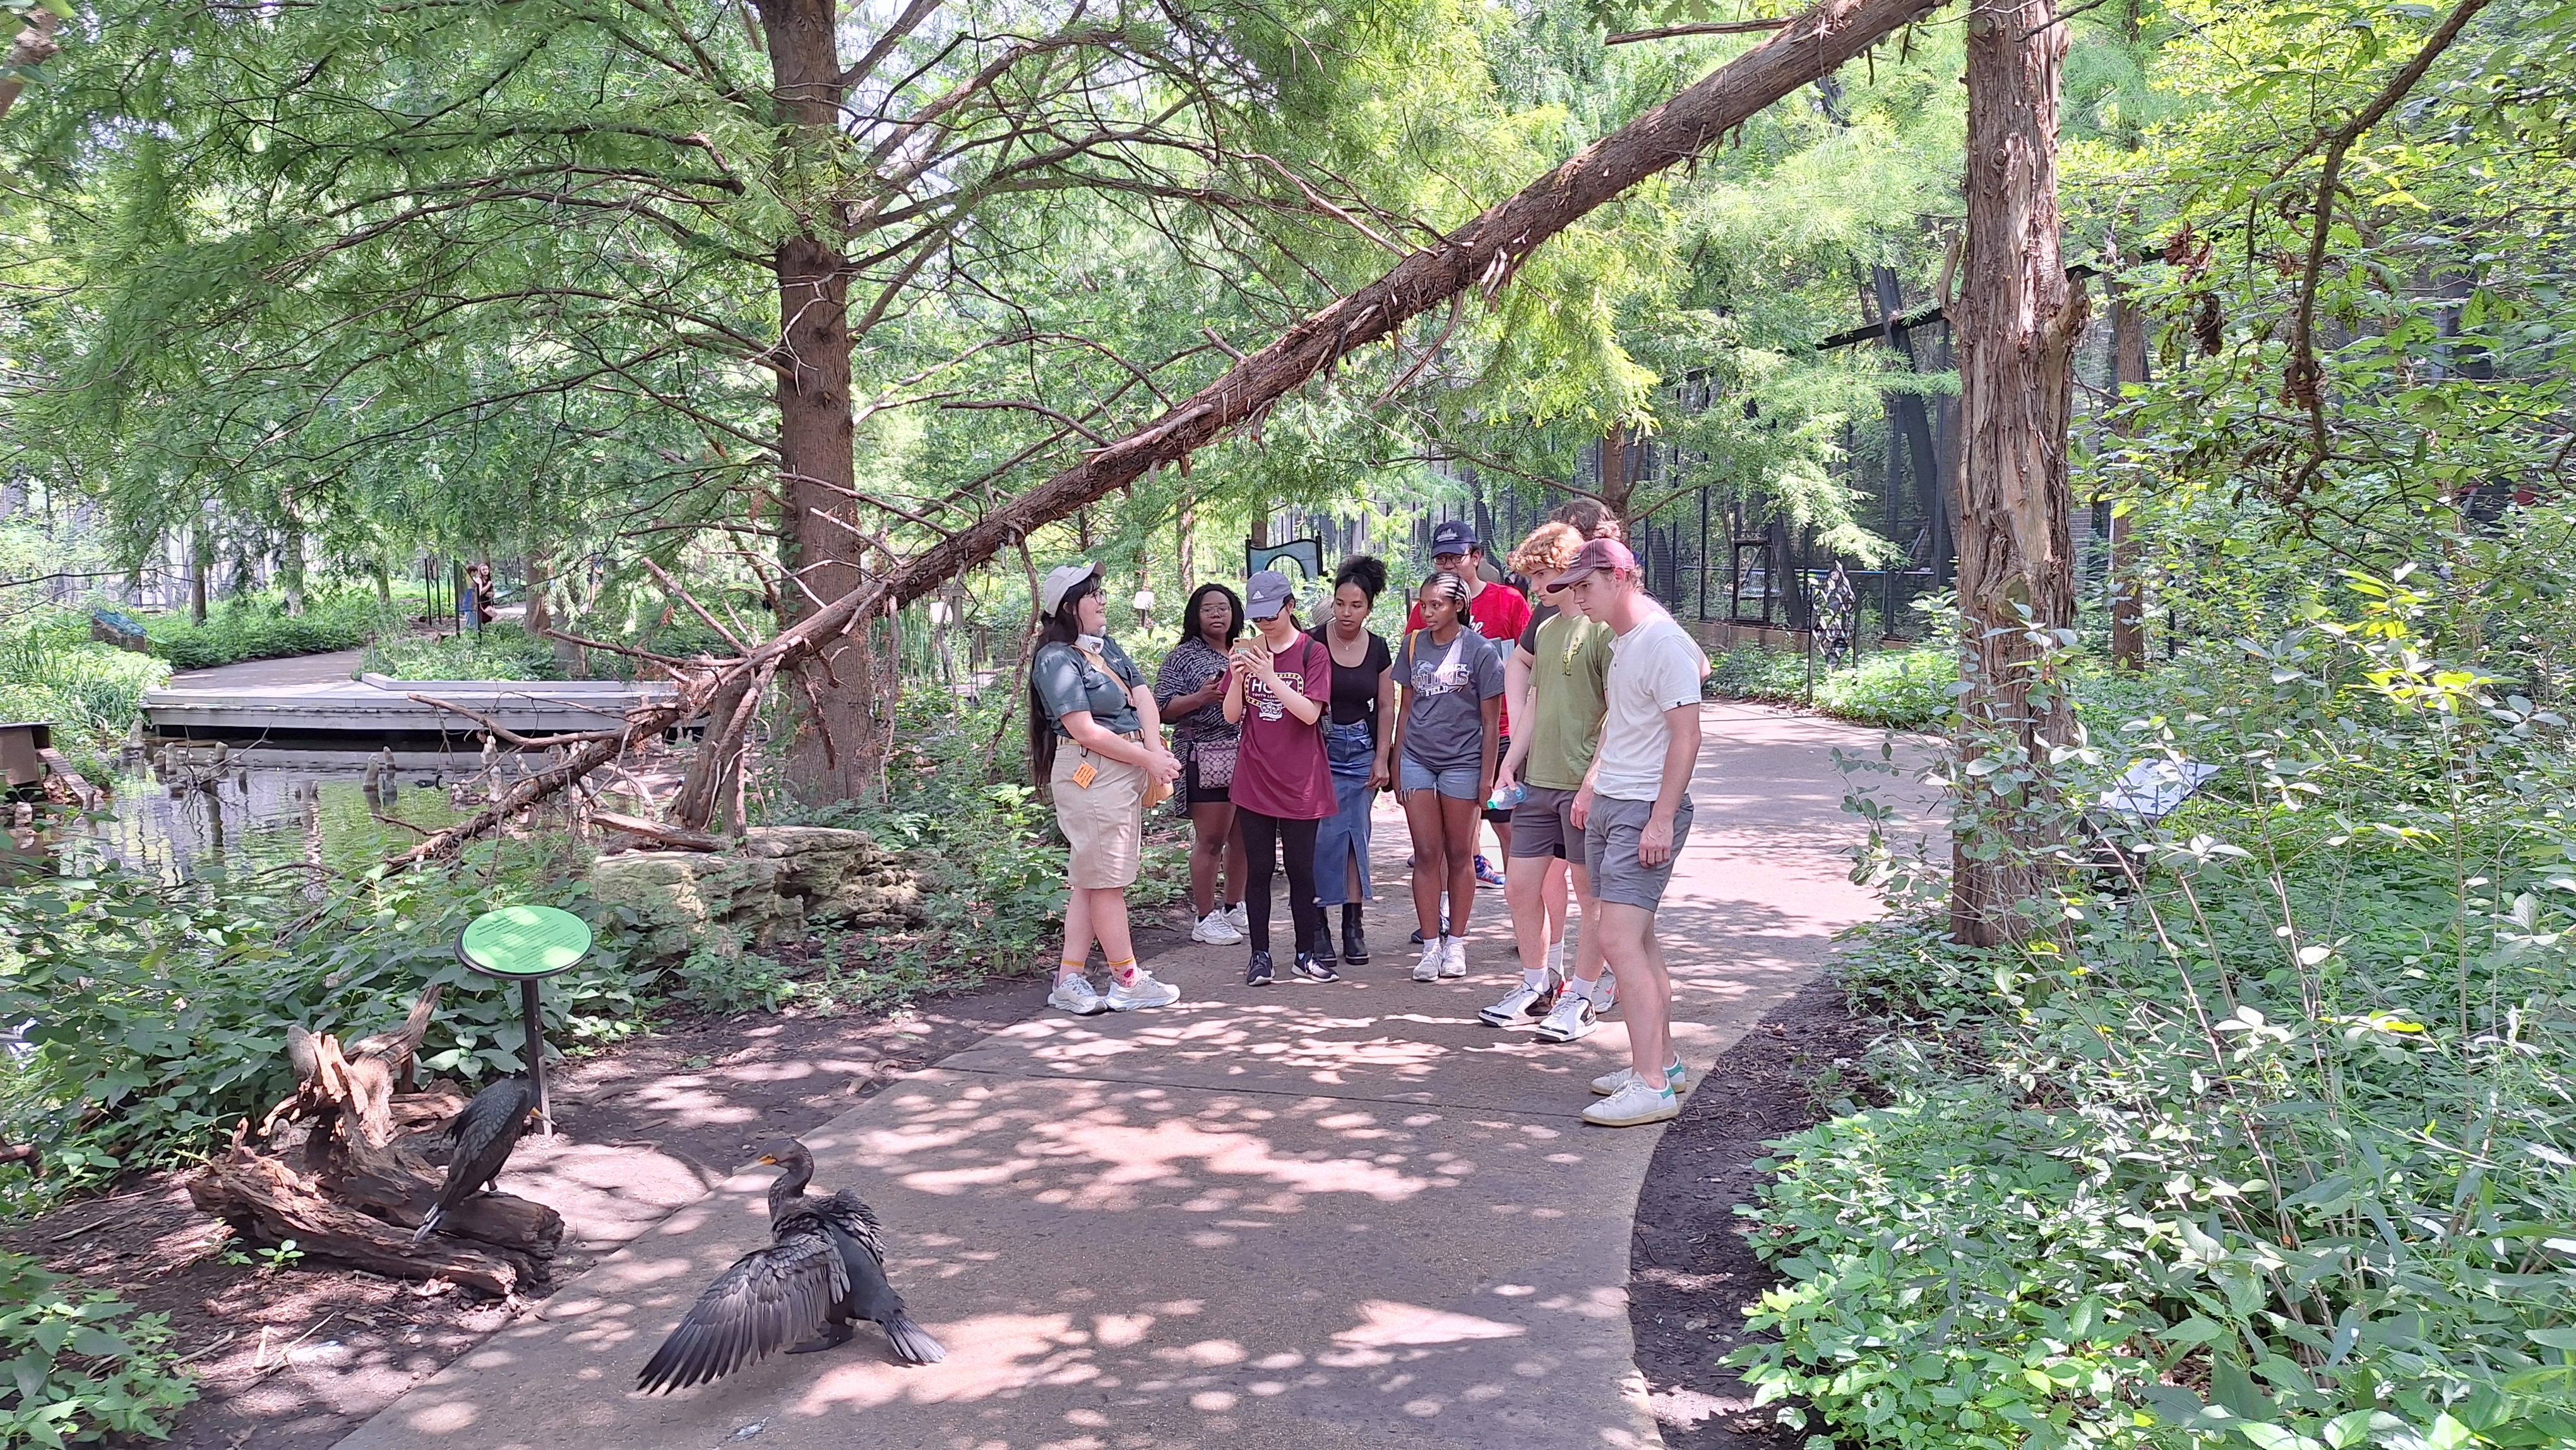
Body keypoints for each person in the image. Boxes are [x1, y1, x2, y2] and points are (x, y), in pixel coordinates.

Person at [1556, 539, 1703, 1126]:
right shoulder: (1624, 642)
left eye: (1586, 587)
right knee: (1637, 941)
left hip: (1644, 808)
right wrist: (1593, 784)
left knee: (1616, 939)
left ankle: (1650, 1087)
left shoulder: (1662, 640)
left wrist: (1662, 817)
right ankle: (1661, 1066)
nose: (1579, 599)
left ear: (1619, 578)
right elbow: (1626, 722)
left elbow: (1687, 736)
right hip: (1616, 800)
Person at [1027, 562, 1184, 1016]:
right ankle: (1127, 980)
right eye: (1092, 594)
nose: (1102, 600)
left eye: (1100, 592)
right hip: (1093, 771)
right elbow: (1084, 730)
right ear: (1069, 607)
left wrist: (1154, 752)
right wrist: (1148, 759)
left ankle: (1068, 979)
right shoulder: (1056, 658)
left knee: (1090, 879)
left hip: (1125, 766)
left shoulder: (1104, 647)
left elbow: (1144, 695)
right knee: (1107, 881)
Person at [1481, 523, 1616, 1037]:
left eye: (1543, 575)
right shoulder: (1547, 628)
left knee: (1590, 894)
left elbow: (1617, 712)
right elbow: (1536, 703)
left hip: (1584, 786)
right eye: (1531, 576)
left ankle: (1581, 998)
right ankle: (1536, 985)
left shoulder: (1603, 630)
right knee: (1520, 887)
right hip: (1538, 782)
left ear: (1571, 569)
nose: (1535, 587)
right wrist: (1510, 762)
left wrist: (1591, 783)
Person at [1222, 570, 1338, 986]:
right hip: (1254, 777)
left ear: (1290, 606)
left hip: (1301, 780)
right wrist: (1238, 678)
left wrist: (1270, 676)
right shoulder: (1248, 649)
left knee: (1301, 870)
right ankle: (1260, 955)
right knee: (1259, 868)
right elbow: (1232, 715)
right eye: (1258, 616)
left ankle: (1305, 953)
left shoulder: (1312, 653)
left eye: (1272, 613)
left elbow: (1310, 713)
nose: (1265, 623)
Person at [1405, 520, 1530, 889]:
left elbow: (1531, 661)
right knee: (1449, 837)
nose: (1447, 565)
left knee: (1508, 826)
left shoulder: (1509, 602)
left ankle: (1521, 922)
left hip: (1503, 729)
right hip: (1444, 738)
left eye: (1455, 557)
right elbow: (1414, 671)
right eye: (1439, 559)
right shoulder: (1425, 610)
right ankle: (1443, 916)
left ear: (1475, 557)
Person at [1392, 572, 1503, 983]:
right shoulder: (1414, 644)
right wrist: (1395, 759)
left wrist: (1486, 778)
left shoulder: (1481, 651)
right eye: (1423, 605)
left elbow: (1491, 723)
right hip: (1417, 759)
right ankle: (1430, 946)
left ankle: (1456, 944)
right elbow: (1405, 708)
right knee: (1426, 853)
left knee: (1459, 854)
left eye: (1436, 605)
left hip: (1463, 762)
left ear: (1458, 605)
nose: (1427, 612)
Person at [1309, 556, 1397, 972]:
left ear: (1369, 607)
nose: (1346, 613)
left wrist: (1382, 757)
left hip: (1361, 749)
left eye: (1356, 605)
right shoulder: (1312, 642)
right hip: (1318, 750)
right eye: (1341, 603)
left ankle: (1353, 924)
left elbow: (1385, 705)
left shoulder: (1378, 647)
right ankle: (1320, 926)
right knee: (1322, 839)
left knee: (1354, 837)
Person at [1154, 583, 1249, 945]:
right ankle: (1205, 917)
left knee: (1244, 838)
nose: (1216, 615)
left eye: (1223, 608)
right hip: (1203, 752)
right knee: (1211, 838)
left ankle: (1234, 906)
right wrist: (1200, 698)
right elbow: (1161, 709)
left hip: (1248, 753)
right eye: (1208, 609)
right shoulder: (1182, 656)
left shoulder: (1245, 650)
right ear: (1196, 615)